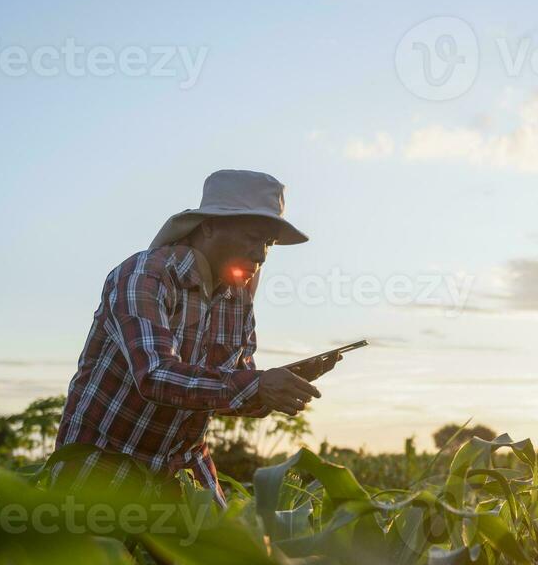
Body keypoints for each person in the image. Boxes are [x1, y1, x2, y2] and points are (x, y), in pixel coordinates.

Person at [51, 170, 334, 503]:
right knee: (97, 554)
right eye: (252, 237)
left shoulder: (237, 298)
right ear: (209, 226)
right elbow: (155, 376)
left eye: (268, 244)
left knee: (233, 553)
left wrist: (278, 386)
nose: (260, 254)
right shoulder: (145, 276)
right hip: (101, 463)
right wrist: (257, 384)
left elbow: (227, 388)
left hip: (180, 466)